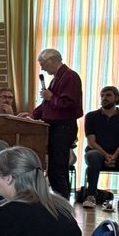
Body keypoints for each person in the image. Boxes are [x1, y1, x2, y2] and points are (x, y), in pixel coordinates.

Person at [31, 48, 83, 197]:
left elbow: (70, 104)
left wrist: (51, 97)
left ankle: (63, 204)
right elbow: (47, 106)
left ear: (52, 60)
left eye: (43, 64)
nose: (42, 68)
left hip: (63, 127)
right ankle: (61, 202)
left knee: (58, 168)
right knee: (55, 168)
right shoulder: (57, 78)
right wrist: (32, 115)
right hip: (55, 127)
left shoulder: (70, 77)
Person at [82, 85, 119, 212]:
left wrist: (114, 156)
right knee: (93, 155)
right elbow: (91, 142)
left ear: (116, 98)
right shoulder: (91, 116)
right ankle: (91, 196)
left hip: (118, 154)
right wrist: (106, 155)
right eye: (102, 95)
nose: (104, 98)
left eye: (108, 95)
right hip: (97, 153)